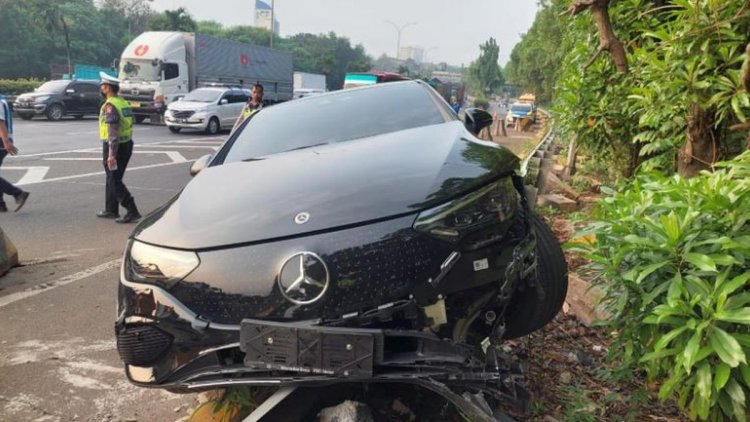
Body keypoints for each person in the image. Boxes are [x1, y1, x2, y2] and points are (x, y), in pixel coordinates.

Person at [96, 72, 141, 223]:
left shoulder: (110, 106)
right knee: (112, 178)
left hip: (115, 147)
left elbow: (112, 132)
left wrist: (111, 154)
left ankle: (132, 209)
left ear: (107, 88)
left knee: (114, 179)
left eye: (102, 85)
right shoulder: (122, 102)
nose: (101, 87)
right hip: (126, 144)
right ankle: (111, 209)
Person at [0, 96, 29, 212]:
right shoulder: (2, 99)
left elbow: (0, 122)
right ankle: (1, 204)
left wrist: (6, 142)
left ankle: (18, 194)